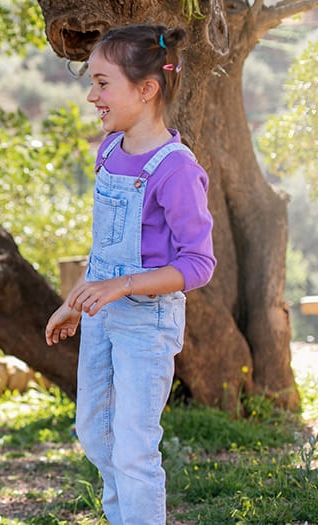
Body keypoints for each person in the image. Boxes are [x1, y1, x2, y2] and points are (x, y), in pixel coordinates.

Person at [44, 25, 216, 525]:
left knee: (134, 448)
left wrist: (122, 287)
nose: (91, 95)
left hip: (147, 325)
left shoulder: (177, 169)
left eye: (102, 82)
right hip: (101, 317)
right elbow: (104, 254)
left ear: (146, 90)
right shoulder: (109, 151)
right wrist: (73, 302)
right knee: (96, 433)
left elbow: (198, 264)